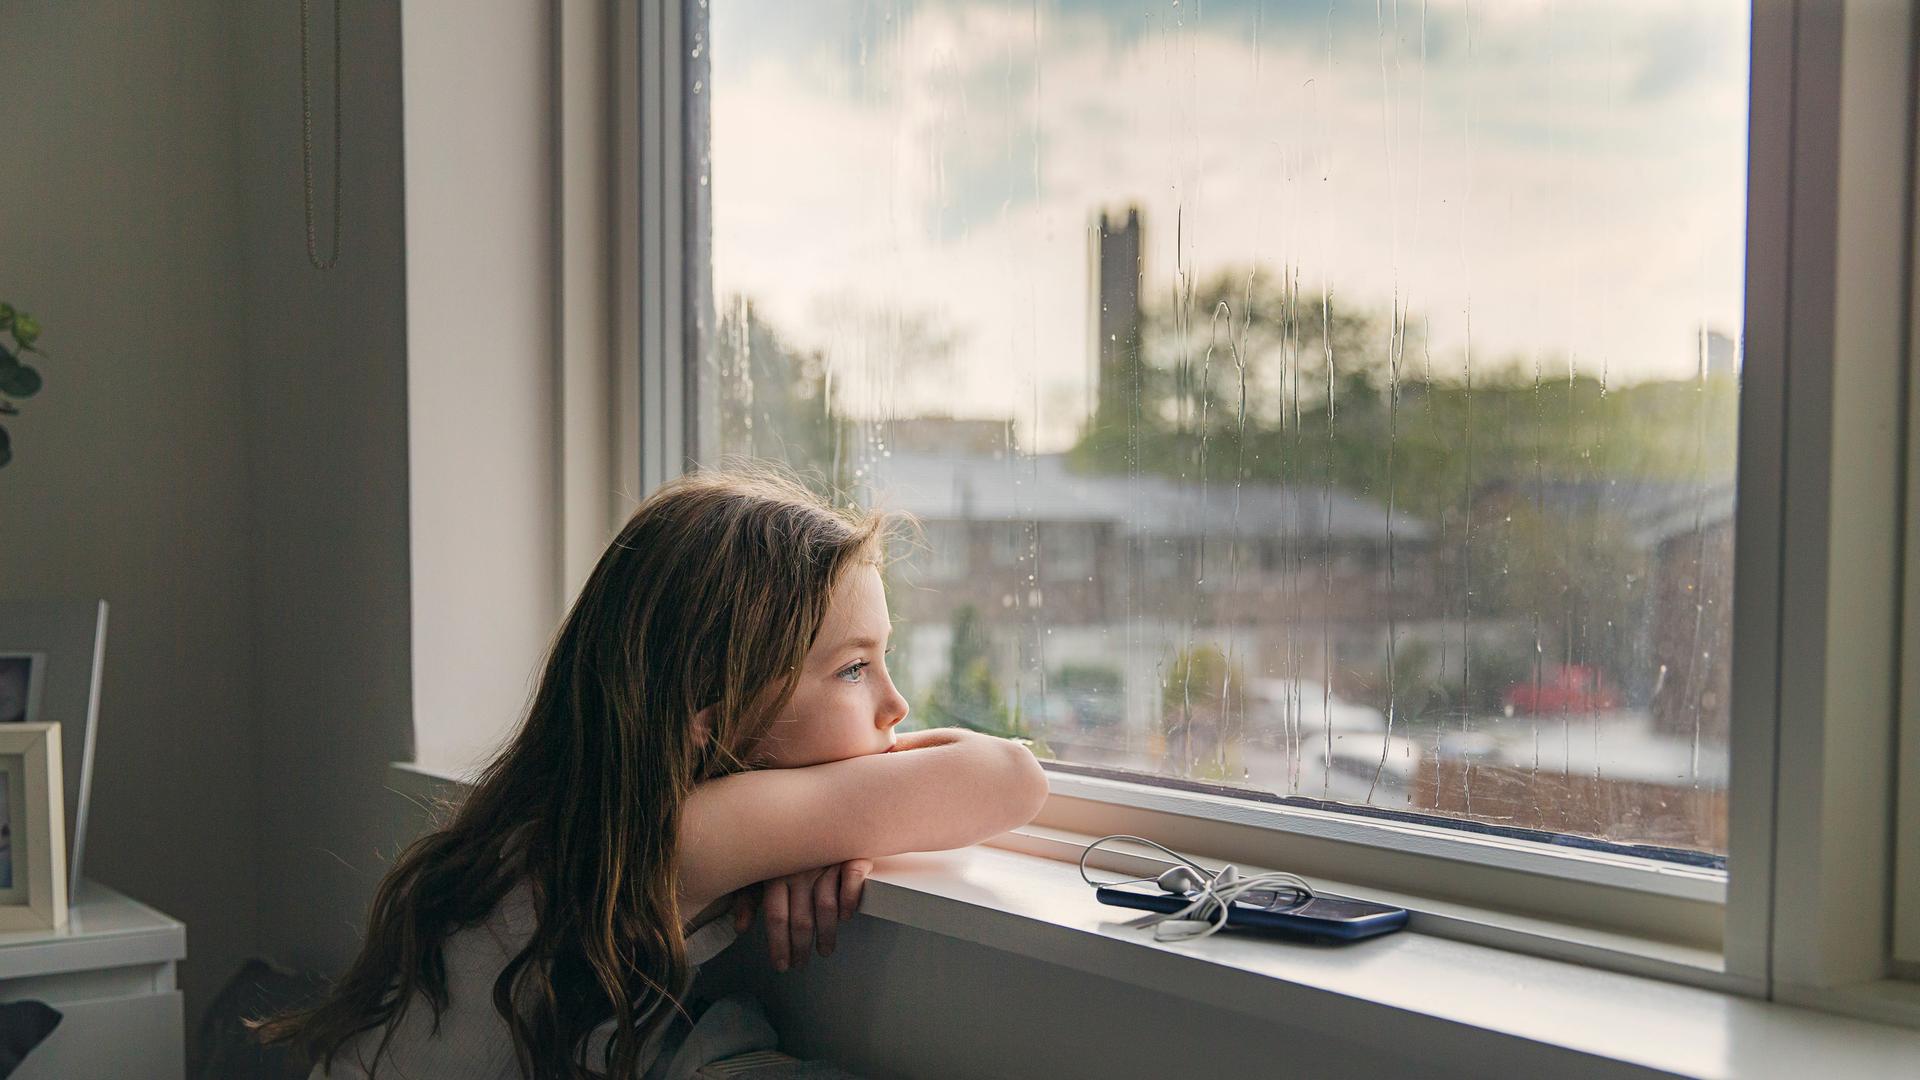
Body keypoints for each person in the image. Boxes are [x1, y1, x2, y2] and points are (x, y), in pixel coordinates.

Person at [256, 468, 1051, 1079]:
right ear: (711, 711)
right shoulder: (665, 837)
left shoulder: (569, 818)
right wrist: (830, 817)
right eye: (853, 670)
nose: (897, 702)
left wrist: (824, 826)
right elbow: (1012, 778)